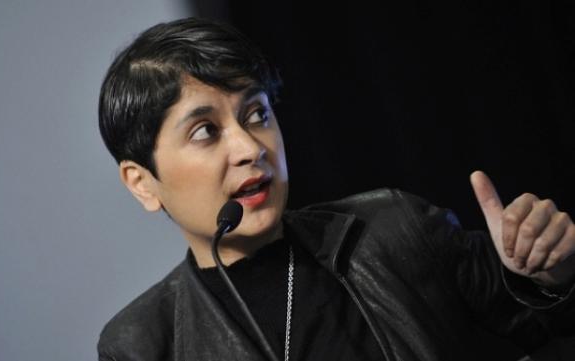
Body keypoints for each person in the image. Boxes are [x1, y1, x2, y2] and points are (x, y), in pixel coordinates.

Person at [96, 17, 575, 361]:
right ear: (143, 184)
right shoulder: (142, 344)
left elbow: (543, 322)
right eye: (205, 131)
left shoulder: (394, 229)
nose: (249, 147)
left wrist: (552, 276)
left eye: (257, 114)